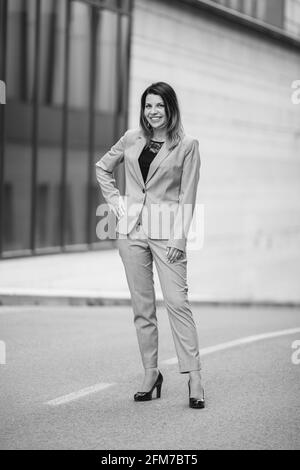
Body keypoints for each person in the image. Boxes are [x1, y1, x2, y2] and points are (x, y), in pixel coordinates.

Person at [95, 81, 205, 409]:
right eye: (148, 106)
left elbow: (188, 195)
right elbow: (103, 168)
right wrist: (116, 202)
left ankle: (194, 376)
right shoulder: (131, 138)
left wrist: (179, 238)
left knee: (177, 303)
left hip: (167, 234)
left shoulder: (186, 145)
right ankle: (150, 373)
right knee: (142, 309)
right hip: (131, 233)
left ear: (170, 109)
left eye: (159, 106)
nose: (152, 112)